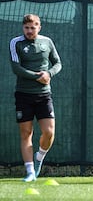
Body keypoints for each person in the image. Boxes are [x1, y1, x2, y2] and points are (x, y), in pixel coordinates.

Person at [9, 14, 62, 182]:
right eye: (27, 28)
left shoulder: (47, 42)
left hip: (44, 94)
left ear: (39, 27)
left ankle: (39, 157)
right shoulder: (15, 43)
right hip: (23, 94)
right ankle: (30, 171)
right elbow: (16, 68)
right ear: (22, 28)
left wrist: (48, 74)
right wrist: (36, 76)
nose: (30, 31)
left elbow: (58, 63)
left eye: (33, 28)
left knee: (49, 132)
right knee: (26, 133)